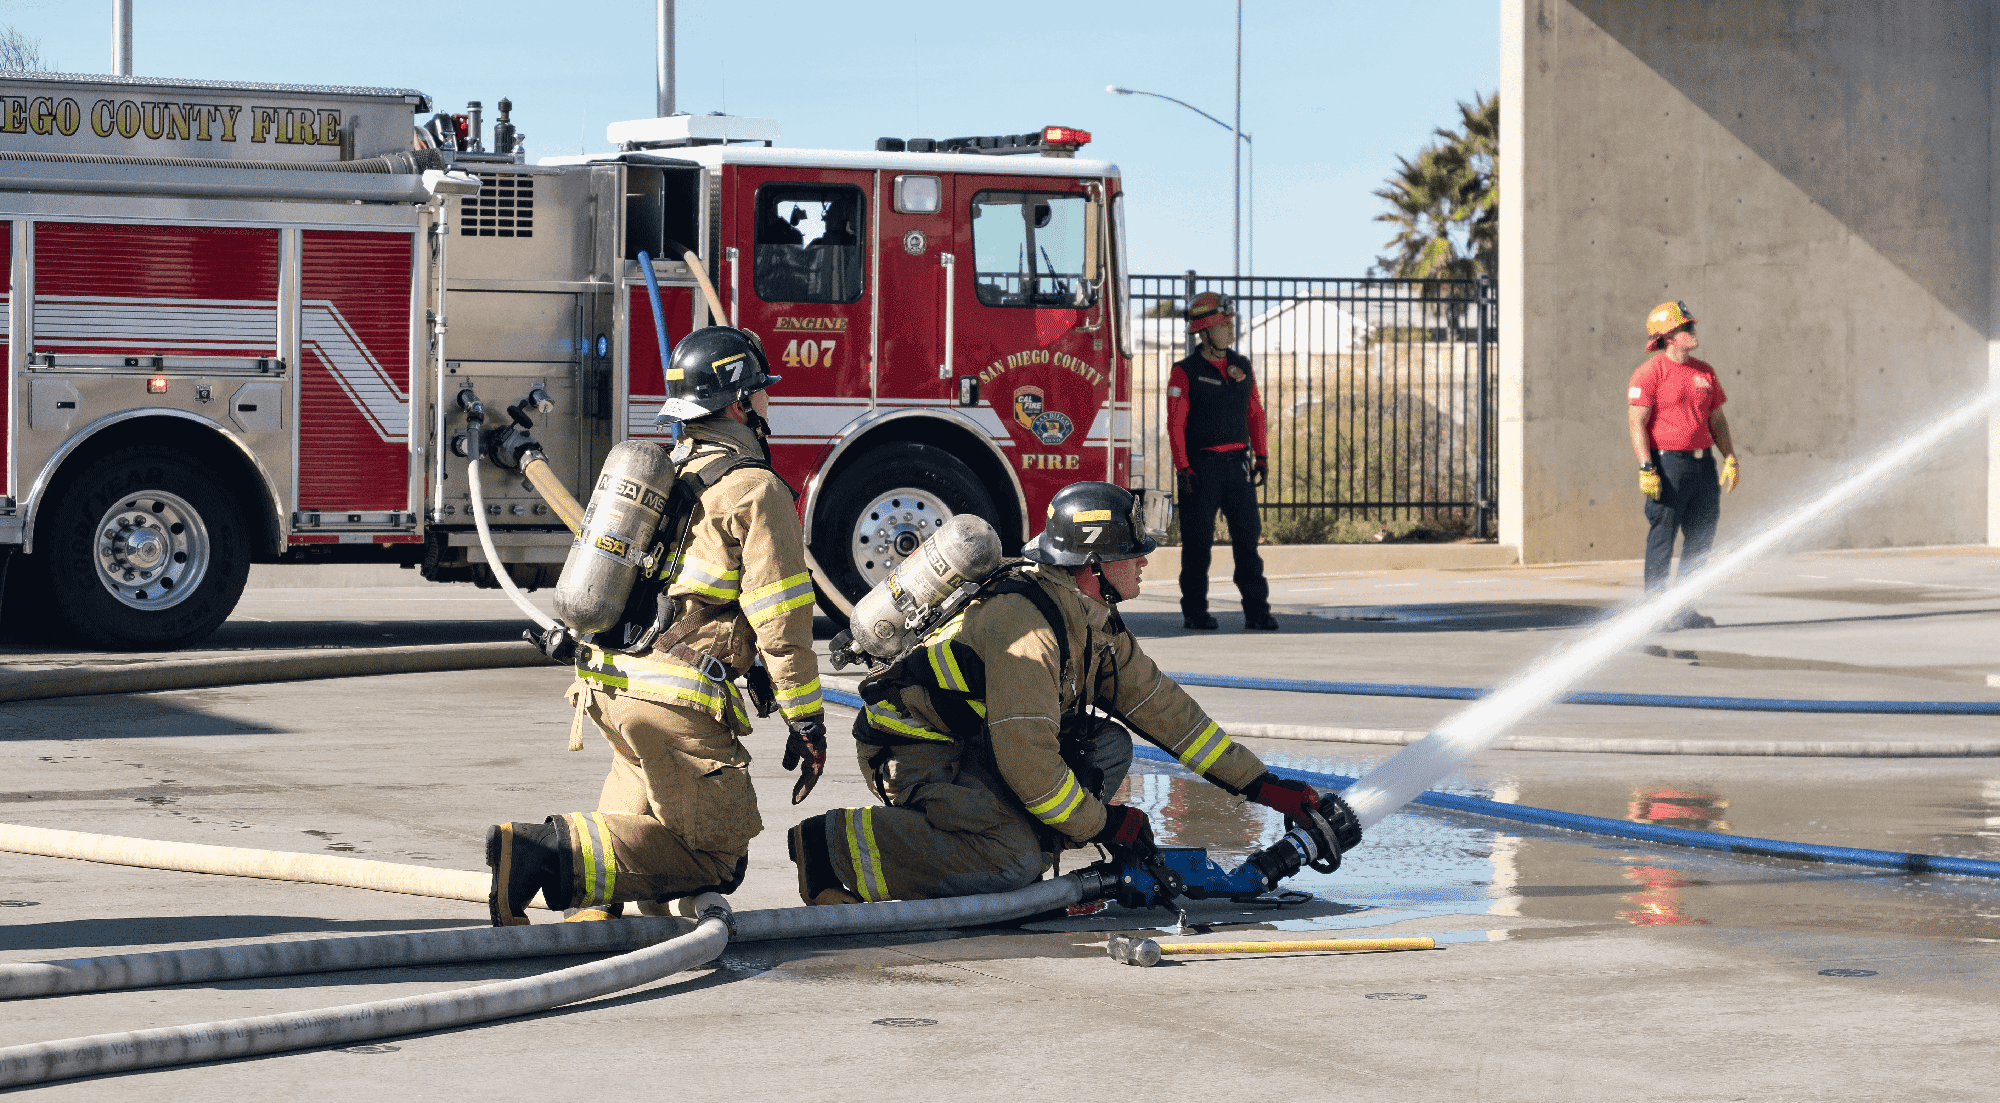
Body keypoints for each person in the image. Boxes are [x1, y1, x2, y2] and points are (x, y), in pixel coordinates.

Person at [787, 480, 1349, 905]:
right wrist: (1104, 825)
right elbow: (1029, 765)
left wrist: (1266, 787)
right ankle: (833, 847)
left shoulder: (1089, 620)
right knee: (1010, 867)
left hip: (978, 741)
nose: (1145, 560)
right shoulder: (1027, 630)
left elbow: (1170, 714)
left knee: (1105, 746)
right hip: (918, 749)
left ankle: (1016, 843)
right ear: (1094, 564)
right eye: (1133, 552)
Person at [487, 326, 827, 925]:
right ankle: (538, 856)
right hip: (675, 703)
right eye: (761, 391)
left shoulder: (661, 470)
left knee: (634, 824)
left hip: (611, 687)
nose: (768, 402)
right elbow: (783, 621)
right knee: (717, 855)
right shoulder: (755, 489)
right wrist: (808, 722)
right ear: (739, 403)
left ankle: (589, 918)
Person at [1627, 301, 1739, 631]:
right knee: (1663, 537)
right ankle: (1654, 613)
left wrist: (1730, 456)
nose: (1693, 331)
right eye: (1686, 328)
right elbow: (1637, 424)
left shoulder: (1705, 372)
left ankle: (1683, 609)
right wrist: (1646, 466)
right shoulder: (1650, 373)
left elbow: (1717, 419)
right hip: (1668, 465)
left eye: (1691, 326)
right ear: (1669, 336)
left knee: (1701, 539)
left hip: (1704, 466)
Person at [1168, 291, 1276, 631]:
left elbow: (1255, 412)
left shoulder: (1241, 367)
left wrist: (1261, 455)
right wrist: (1182, 467)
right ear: (1206, 331)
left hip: (1237, 466)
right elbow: (1175, 423)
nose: (1230, 330)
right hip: (1200, 469)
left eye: (1230, 324)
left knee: (1248, 540)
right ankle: (1195, 612)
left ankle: (1257, 611)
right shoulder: (1185, 372)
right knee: (1198, 544)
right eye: (1224, 325)